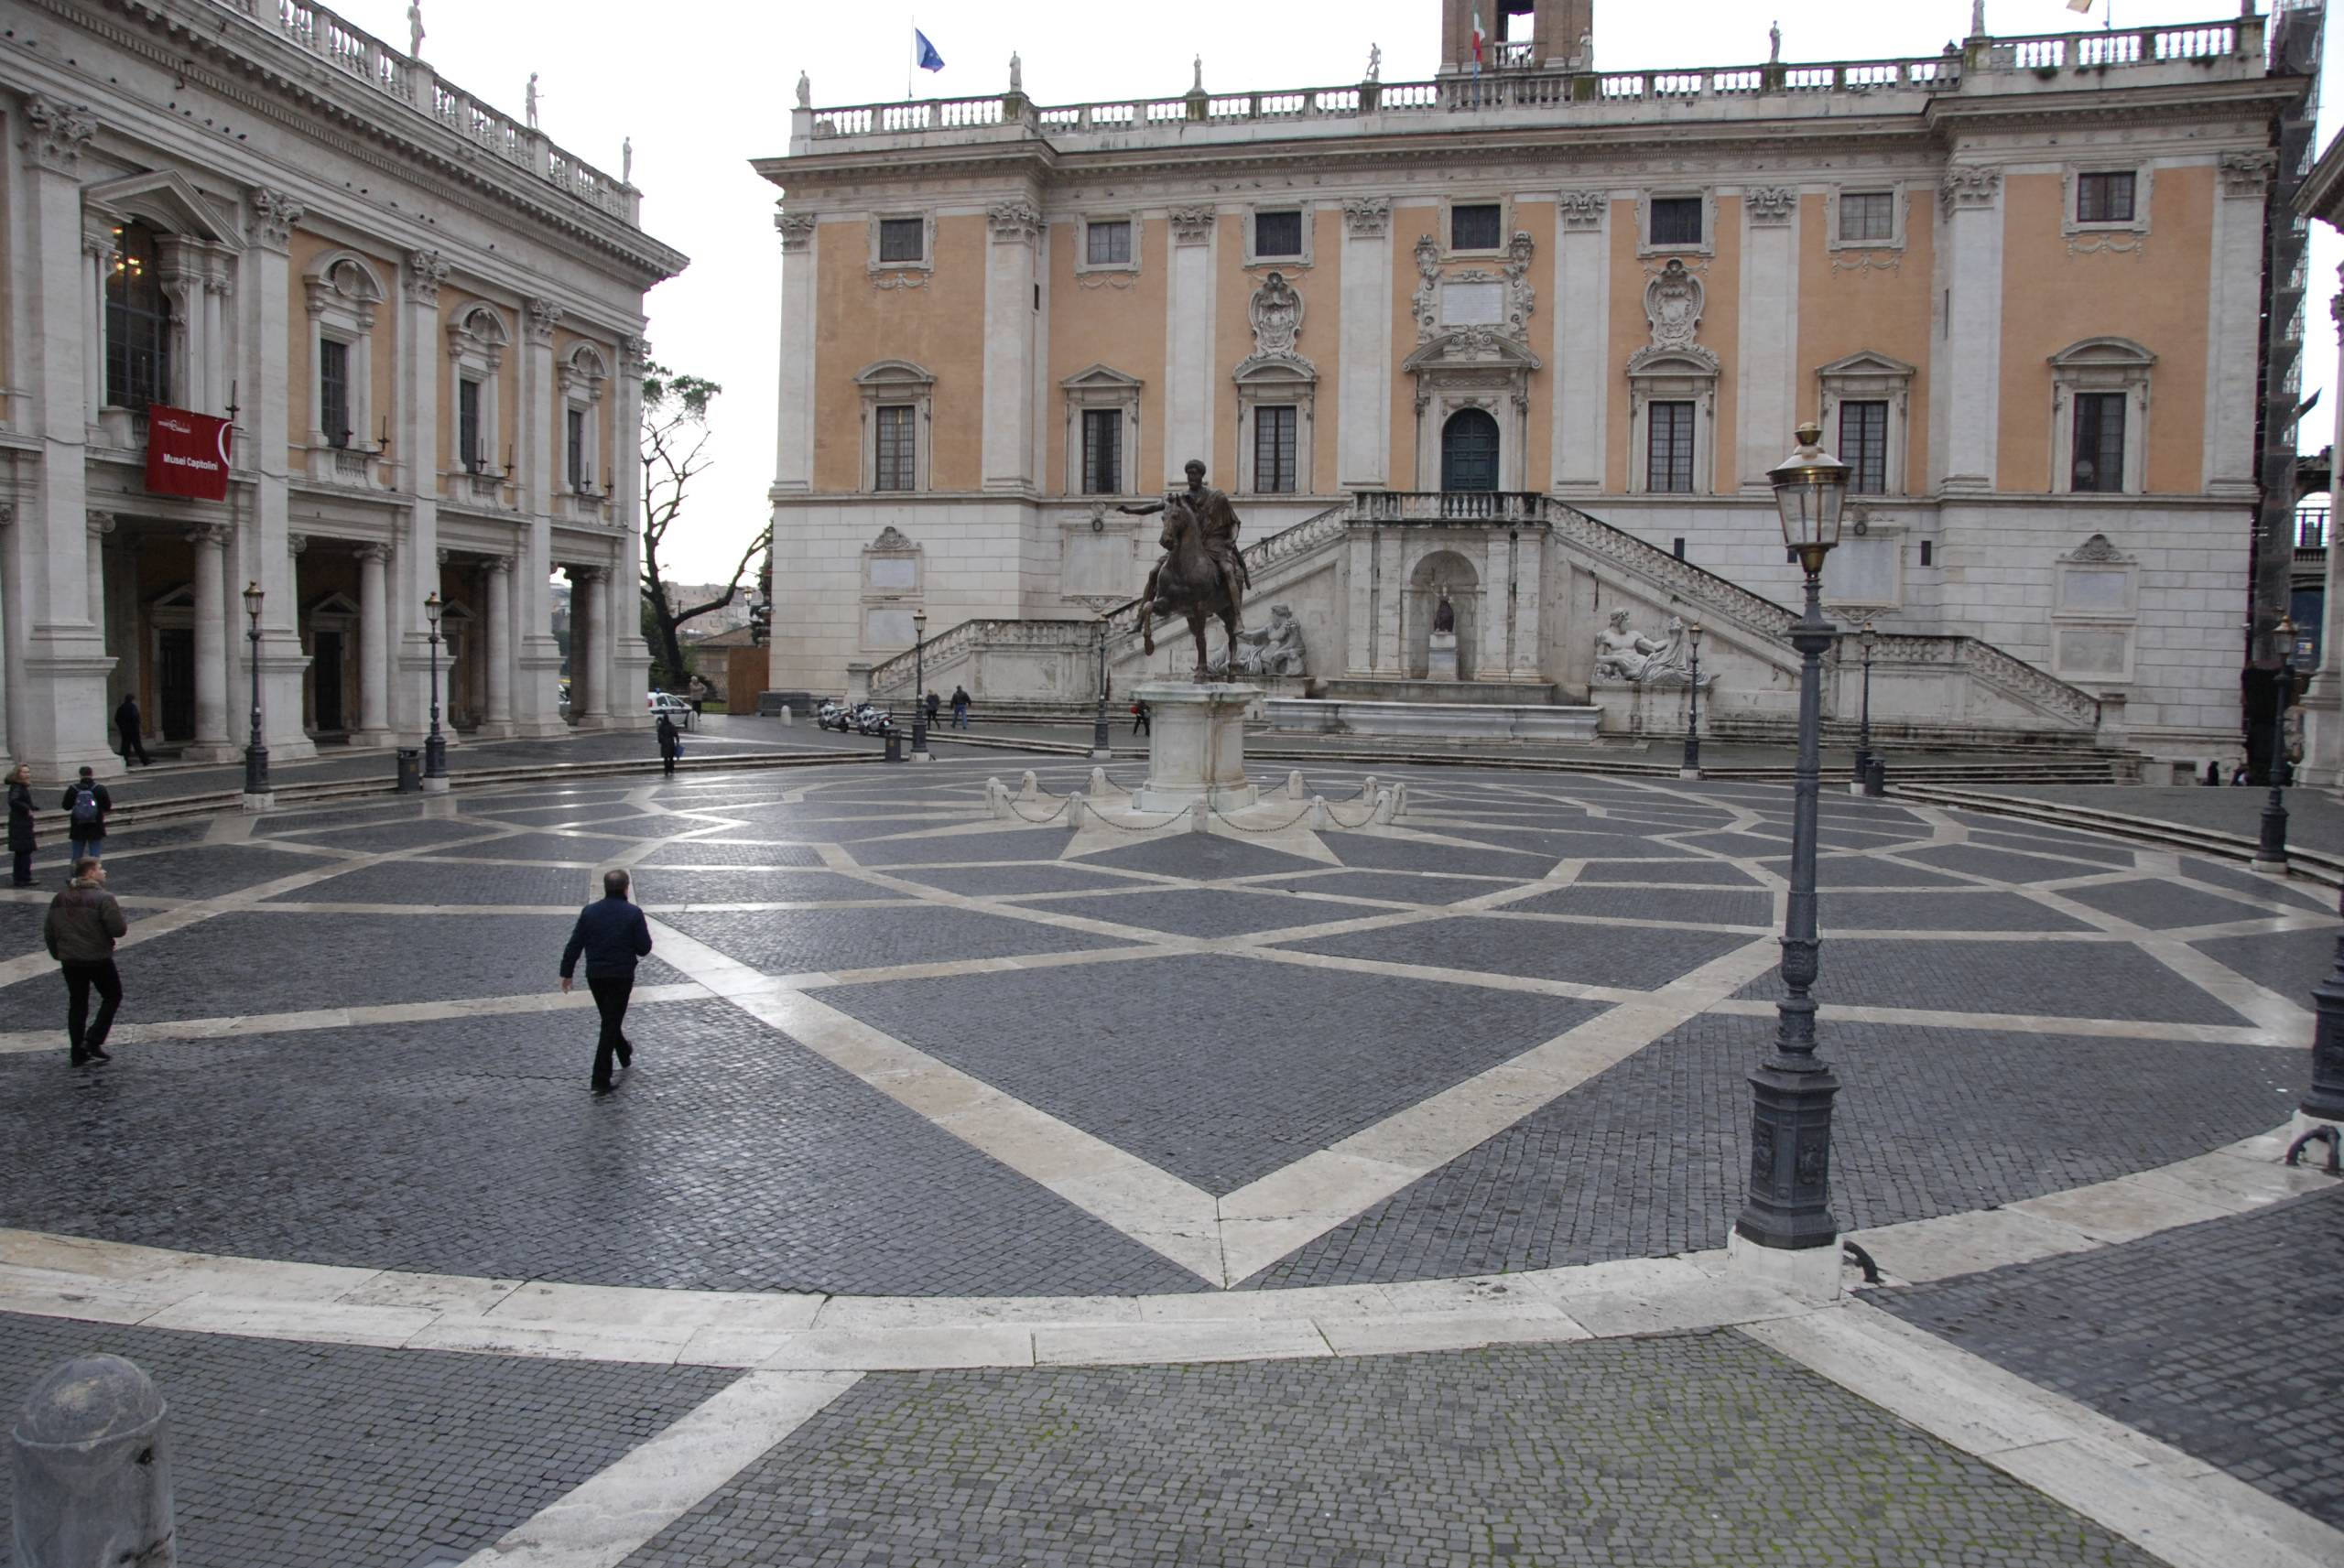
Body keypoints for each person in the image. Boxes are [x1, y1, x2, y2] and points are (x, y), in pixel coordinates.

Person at [559, 869, 654, 1092]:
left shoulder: (589, 912)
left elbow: (575, 944)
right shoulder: (633, 913)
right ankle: (599, 1078)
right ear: (626, 888)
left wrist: (567, 972)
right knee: (610, 1022)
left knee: (610, 1018)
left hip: (596, 976)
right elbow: (644, 948)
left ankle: (623, 1051)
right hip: (621, 976)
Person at [45, 856, 126, 1066]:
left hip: (70, 960)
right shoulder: (104, 898)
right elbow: (119, 929)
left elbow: (49, 930)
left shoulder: (60, 898)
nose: (104, 871)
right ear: (90, 873)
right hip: (97, 958)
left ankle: (76, 1052)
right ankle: (92, 1040)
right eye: (100, 868)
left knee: (77, 1003)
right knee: (112, 995)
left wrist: (59, 954)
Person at [60, 766, 110, 870]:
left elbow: (66, 806)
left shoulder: (73, 789)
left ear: (80, 775)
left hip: (78, 825)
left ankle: (75, 875)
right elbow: (107, 806)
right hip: (95, 824)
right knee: (95, 854)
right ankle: (95, 873)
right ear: (92, 774)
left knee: (77, 855)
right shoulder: (99, 788)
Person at [8, 762, 36, 887]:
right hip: (20, 824)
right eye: (24, 772)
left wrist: (32, 807)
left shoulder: (19, 786)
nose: (27, 774)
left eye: (28, 771)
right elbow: (14, 801)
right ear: (18, 774)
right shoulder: (17, 787)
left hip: (21, 822)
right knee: (24, 851)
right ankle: (24, 877)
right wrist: (27, 809)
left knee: (22, 852)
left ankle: (21, 877)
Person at [114, 693, 150, 767]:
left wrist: (122, 727)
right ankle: (145, 760)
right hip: (133, 730)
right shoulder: (133, 707)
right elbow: (135, 718)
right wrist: (137, 726)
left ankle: (125, 761)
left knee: (125, 747)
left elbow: (117, 719)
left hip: (125, 731)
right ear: (132, 700)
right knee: (137, 746)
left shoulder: (121, 708)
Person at [656, 712, 681, 777]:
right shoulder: (671, 725)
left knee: (666, 758)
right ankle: (671, 769)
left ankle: (666, 770)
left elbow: (659, 736)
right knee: (671, 758)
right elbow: (676, 734)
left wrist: (661, 741)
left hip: (665, 744)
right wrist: (677, 742)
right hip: (671, 743)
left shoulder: (661, 726)